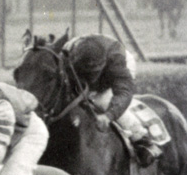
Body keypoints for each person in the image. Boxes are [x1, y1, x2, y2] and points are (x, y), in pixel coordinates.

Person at [65, 33, 162, 166]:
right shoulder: (67, 54)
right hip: (80, 61)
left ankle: (142, 139)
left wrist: (109, 115)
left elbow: (124, 91)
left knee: (102, 101)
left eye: (95, 72)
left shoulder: (115, 59)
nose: (92, 77)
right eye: (88, 72)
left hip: (121, 63)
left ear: (104, 63)